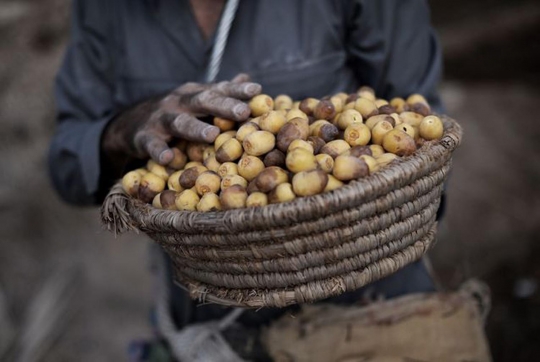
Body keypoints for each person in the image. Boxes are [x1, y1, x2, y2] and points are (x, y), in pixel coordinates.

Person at [49, 0, 445, 360]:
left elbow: (424, 129)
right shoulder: (103, 9)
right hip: (207, 323)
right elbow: (67, 166)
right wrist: (121, 131)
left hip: (370, 311)